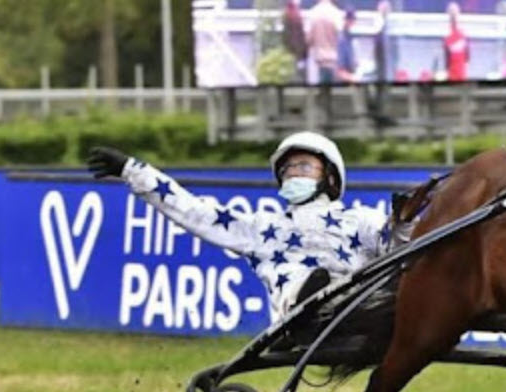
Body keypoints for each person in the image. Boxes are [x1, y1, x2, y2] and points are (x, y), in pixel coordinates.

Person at [85, 132, 388, 320]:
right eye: (288, 169)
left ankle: (348, 297)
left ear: (331, 177)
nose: (293, 174)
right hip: (301, 315)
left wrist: (403, 223)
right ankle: (307, 300)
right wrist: (132, 170)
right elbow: (194, 210)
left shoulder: (361, 219)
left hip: (361, 302)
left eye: (304, 167)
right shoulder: (262, 225)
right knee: (306, 284)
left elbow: (399, 244)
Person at [308, 0, 344, 85]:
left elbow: (309, 39)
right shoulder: (336, 13)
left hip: (319, 58)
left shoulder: (313, 13)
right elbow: (340, 38)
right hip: (333, 57)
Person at [443, 2, 471, 81]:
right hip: (451, 66)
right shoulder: (446, 31)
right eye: (451, 11)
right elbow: (446, 52)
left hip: (461, 65)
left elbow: (467, 50)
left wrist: (467, 63)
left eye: (455, 11)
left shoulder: (463, 30)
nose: (453, 13)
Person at [282, 0, 308, 82]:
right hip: (296, 52)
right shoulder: (294, 17)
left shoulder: (288, 16)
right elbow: (298, 36)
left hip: (293, 51)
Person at [336, 8, 359, 82]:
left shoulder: (350, 38)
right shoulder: (341, 40)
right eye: (351, 20)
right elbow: (339, 71)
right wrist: (353, 78)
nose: (352, 23)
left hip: (351, 73)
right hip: (345, 81)